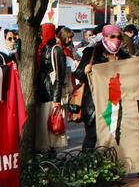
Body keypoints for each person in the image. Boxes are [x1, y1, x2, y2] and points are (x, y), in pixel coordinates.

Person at [78, 23, 131, 151]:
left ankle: (112, 165)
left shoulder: (123, 56)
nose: (116, 40)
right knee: (92, 136)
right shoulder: (92, 53)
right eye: (112, 36)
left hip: (116, 103)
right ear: (105, 36)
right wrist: (86, 71)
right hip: (95, 103)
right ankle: (87, 166)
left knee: (115, 137)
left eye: (119, 37)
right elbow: (78, 73)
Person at [36, 22, 70, 151]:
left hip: (50, 93)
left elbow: (59, 76)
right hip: (43, 92)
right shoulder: (40, 48)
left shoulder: (56, 49)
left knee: (49, 128)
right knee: (44, 129)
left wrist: (56, 99)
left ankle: (50, 156)